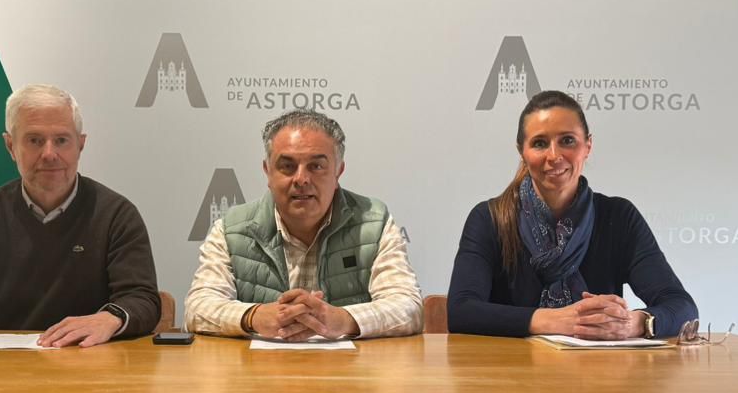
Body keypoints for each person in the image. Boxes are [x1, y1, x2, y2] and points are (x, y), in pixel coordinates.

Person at [0, 84, 160, 346]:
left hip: (89, 361)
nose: (49, 154)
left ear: (80, 145)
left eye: (62, 140)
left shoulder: (116, 215)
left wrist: (109, 319)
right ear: (10, 146)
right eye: (35, 140)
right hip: (5, 365)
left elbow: (143, 299)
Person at [447, 89, 696, 339]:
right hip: (510, 363)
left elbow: (682, 306)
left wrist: (635, 323)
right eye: (540, 143)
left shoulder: (619, 217)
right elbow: (461, 311)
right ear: (522, 151)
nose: (554, 156)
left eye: (567, 140)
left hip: (598, 364)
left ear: (588, 146)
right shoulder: (488, 218)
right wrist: (555, 320)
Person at [185, 109, 423, 340]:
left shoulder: (374, 222)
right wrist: (253, 316)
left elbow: (407, 306)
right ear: (268, 171)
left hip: (351, 366)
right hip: (258, 366)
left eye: (316, 166)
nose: (301, 179)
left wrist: (344, 319)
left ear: (338, 172)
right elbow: (198, 307)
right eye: (287, 166)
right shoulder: (231, 229)